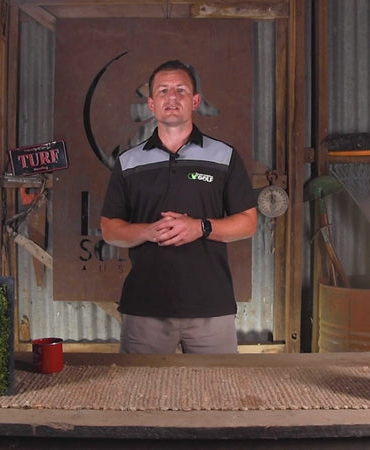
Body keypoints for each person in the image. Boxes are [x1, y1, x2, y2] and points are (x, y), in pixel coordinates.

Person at [100, 60, 258, 354]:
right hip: (145, 309)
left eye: (181, 90)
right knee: (141, 384)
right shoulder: (128, 162)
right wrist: (149, 231)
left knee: (219, 384)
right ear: (151, 104)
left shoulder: (223, 156)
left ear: (195, 101)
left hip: (211, 309)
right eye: (163, 91)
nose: (172, 97)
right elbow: (109, 229)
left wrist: (200, 227)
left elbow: (249, 222)